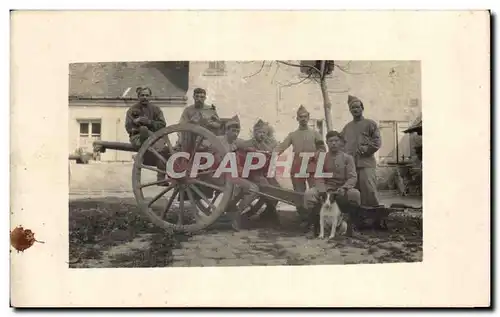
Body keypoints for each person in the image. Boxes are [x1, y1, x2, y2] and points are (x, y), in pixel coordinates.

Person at [206, 115, 259, 231]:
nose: (236, 133)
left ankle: (232, 210)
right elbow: (210, 156)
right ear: (227, 130)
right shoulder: (218, 140)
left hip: (229, 175)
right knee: (253, 189)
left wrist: (252, 148)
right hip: (217, 175)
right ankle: (235, 215)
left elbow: (246, 144)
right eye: (233, 130)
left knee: (250, 188)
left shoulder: (235, 142)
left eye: (237, 131)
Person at [274, 105, 326, 223]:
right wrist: (271, 154)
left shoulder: (315, 133)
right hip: (297, 165)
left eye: (305, 117)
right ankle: (303, 218)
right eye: (300, 117)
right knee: (299, 193)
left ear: (308, 118)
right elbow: (281, 146)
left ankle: (316, 218)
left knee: (314, 191)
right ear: (297, 118)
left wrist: (315, 155)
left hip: (312, 165)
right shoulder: (293, 134)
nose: (303, 119)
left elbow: (323, 148)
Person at [303, 131, 361, 236]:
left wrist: (344, 188)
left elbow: (352, 177)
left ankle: (352, 227)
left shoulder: (347, 158)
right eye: (330, 141)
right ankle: (313, 226)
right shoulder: (322, 158)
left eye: (336, 141)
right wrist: (323, 189)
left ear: (340, 143)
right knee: (309, 194)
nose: (333, 143)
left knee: (355, 195)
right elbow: (318, 176)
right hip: (326, 188)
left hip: (342, 188)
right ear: (327, 143)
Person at [340, 95, 382, 207]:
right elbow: (340, 143)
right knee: (353, 194)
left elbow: (377, 142)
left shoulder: (370, 124)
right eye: (352, 108)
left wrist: (366, 149)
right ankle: (357, 219)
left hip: (366, 164)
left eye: (357, 107)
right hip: (351, 166)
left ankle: (374, 216)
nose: (355, 110)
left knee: (369, 190)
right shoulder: (347, 127)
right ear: (350, 110)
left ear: (362, 108)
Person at [239, 119, 282, 226]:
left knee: (278, 189)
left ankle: (268, 212)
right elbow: (240, 151)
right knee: (268, 188)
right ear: (254, 132)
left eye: (264, 133)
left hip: (263, 174)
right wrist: (248, 150)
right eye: (259, 132)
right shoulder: (247, 143)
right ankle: (271, 213)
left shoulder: (266, 146)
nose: (261, 135)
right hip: (251, 174)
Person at [125, 87, 167, 182]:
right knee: (144, 130)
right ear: (138, 97)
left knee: (163, 152)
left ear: (150, 97)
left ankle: (161, 178)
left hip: (154, 138)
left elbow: (162, 125)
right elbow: (128, 127)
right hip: (138, 138)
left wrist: (149, 122)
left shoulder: (156, 110)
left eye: (147, 95)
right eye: (142, 95)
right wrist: (137, 124)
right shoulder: (132, 110)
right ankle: (142, 152)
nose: (145, 97)